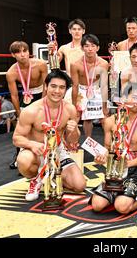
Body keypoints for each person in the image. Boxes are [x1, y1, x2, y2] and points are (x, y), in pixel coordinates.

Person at [13, 69, 85, 201]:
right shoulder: (31, 111)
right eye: (53, 86)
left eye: (62, 87)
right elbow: (16, 138)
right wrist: (31, 144)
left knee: (79, 186)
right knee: (23, 161)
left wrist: (74, 130)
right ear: (46, 86)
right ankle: (36, 179)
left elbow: (72, 141)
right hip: (36, 151)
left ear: (66, 90)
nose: (57, 91)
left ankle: (51, 175)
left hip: (58, 151)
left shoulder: (70, 109)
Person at [90, 82, 137, 215]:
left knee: (122, 207)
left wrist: (127, 164)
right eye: (135, 97)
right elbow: (107, 148)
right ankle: (117, 193)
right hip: (114, 170)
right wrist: (101, 157)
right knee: (97, 205)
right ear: (124, 98)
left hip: (136, 170)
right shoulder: (110, 121)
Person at [6, 41, 48, 169]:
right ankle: (19, 155)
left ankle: (49, 151)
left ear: (29, 52)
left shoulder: (40, 64)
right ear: (13, 55)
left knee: (45, 123)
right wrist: (18, 113)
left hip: (42, 93)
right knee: (22, 126)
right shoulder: (11, 72)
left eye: (25, 51)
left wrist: (44, 102)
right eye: (18, 52)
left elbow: (47, 85)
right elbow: (13, 95)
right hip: (26, 95)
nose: (23, 54)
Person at [70, 34, 109, 138]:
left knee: (104, 117)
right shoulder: (75, 64)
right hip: (81, 90)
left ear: (98, 48)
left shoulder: (104, 64)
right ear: (82, 48)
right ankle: (84, 143)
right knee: (78, 117)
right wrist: (74, 106)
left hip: (96, 90)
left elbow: (104, 86)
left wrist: (105, 106)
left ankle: (109, 145)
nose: (90, 49)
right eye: (87, 46)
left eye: (92, 46)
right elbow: (75, 85)